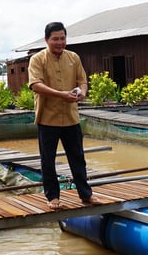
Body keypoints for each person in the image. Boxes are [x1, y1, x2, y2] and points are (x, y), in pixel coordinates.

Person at [28, 21, 101, 210]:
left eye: (62, 38)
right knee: (48, 160)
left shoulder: (74, 57)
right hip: (47, 118)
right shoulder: (37, 59)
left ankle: (86, 195)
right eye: (55, 39)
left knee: (77, 157)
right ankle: (52, 197)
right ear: (46, 40)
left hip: (70, 117)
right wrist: (61, 95)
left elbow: (82, 81)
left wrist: (83, 92)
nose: (59, 42)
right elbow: (35, 84)